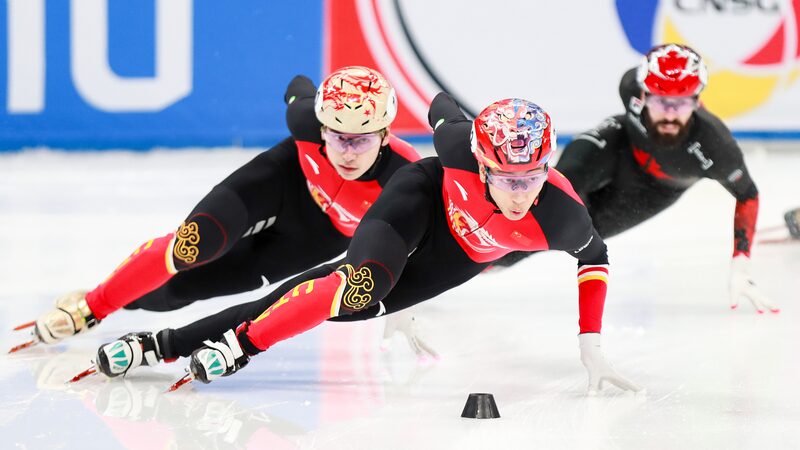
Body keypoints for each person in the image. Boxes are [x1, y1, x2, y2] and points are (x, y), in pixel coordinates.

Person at [93, 93, 643, 396]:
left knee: (314, 298)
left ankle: (161, 342)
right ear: (480, 161)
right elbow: (442, 102)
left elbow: (595, 258)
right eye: (504, 176)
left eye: (531, 178)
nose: (519, 193)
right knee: (353, 287)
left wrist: (589, 345)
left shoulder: (563, 216)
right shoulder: (455, 145)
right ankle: (226, 348)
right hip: (421, 199)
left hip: (459, 258)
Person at [13, 66, 425, 352]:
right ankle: (90, 307)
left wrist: (403, 302)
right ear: (319, 126)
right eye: (337, 138)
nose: (348, 153)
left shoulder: (406, 178)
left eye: (362, 140)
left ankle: (120, 299)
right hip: (282, 181)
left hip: (315, 237)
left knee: (181, 291)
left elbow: (417, 243)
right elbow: (298, 87)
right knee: (192, 245)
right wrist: (93, 310)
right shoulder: (303, 120)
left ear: (387, 135)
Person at [496, 44, 778, 314]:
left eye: (680, 103)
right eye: (659, 100)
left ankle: (482, 263)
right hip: (618, 144)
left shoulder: (714, 145)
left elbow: (747, 194)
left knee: (554, 234)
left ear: (697, 100)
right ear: (642, 94)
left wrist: (741, 261)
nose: (669, 113)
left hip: (652, 191)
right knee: (553, 197)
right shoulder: (629, 85)